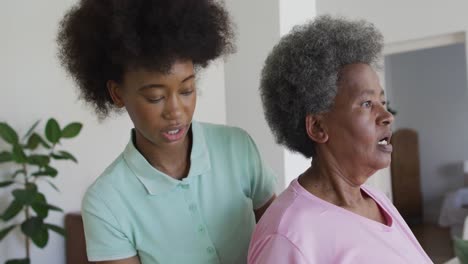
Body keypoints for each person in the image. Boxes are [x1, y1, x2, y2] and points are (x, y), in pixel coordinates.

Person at [57, 1, 276, 263]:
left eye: (186, 90)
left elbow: (280, 237)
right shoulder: (106, 202)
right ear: (117, 94)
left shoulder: (237, 148)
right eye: (155, 97)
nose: (175, 111)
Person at [247, 15, 432, 264]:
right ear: (318, 127)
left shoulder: (377, 200)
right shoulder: (289, 235)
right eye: (367, 104)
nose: (387, 116)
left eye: (383, 102)